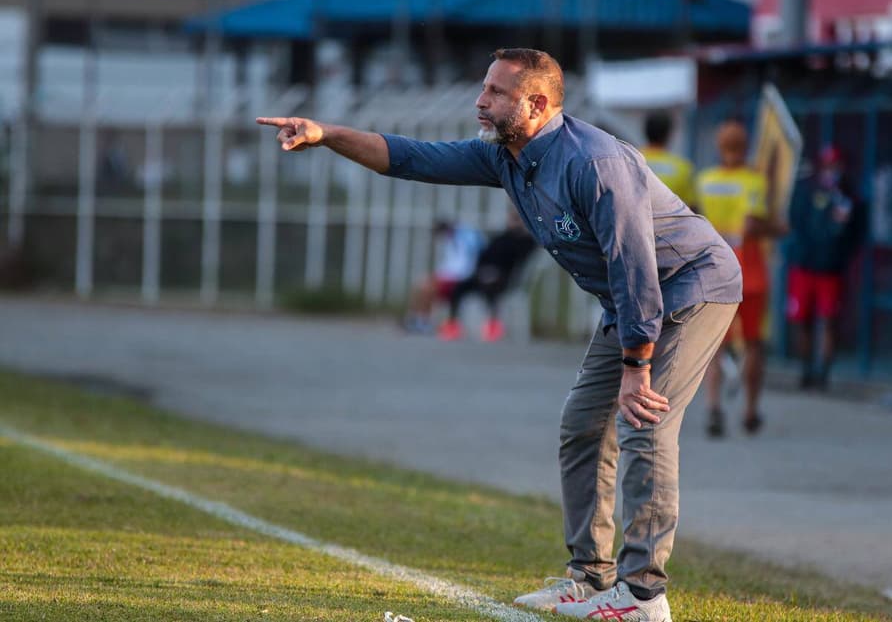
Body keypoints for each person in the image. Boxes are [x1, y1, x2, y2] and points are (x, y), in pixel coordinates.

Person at [258, 47, 741, 622]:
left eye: (495, 93)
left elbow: (633, 264)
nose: (480, 102)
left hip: (689, 284)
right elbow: (410, 157)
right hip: (632, 298)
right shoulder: (506, 156)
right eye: (484, 88)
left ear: (536, 104)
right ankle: (589, 578)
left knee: (644, 424)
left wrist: (636, 367)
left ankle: (643, 597)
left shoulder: (593, 162)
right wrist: (328, 134)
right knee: (583, 425)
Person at [696, 120, 783, 438]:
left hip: (712, 273)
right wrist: (778, 227)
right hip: (750, 274)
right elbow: (752, 225)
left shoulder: (705, 181)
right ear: (745, 147)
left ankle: (713, 405)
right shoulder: (753, 181)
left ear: (719, 147)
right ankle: (750, 410)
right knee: (754, 344)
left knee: (715, 346)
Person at [785, 145, 865, 390]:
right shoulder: (806, 191)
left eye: (835, 165)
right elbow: (794, 222)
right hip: (804, 266)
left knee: (828, 320)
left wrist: (840, 255)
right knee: (802, 321)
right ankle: (806, 370)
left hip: (831, 270)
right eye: (828, 165)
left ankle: (823, 375)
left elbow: (856, 234)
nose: (831, 170)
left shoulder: (850, 197)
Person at [437, 212, 537, 342]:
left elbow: (518, 263)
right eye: (513, 219)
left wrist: (496, 272)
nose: (514, 223)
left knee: (490, 287)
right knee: (459, 287)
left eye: (518, 220)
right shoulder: (500, 238)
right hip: (483, 274)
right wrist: (482, 271)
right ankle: (453, 324)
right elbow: (484, 256)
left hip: (506, 278)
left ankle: (493, 325)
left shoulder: (527, 241)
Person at [403, 219, 484, 334]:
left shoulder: (465, 237)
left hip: (462, 279)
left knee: (427, 288)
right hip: (452, 276)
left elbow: (465, 265)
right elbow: (450, 264)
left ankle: (423, 321)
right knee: (420, 285)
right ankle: (417, 319)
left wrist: (441, 277)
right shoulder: (452, 239)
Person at [640, 111, 695, 211]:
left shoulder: (631, 160)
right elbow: (691, 207)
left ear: (645, 131)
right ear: (668, 134)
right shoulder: (682, 167)